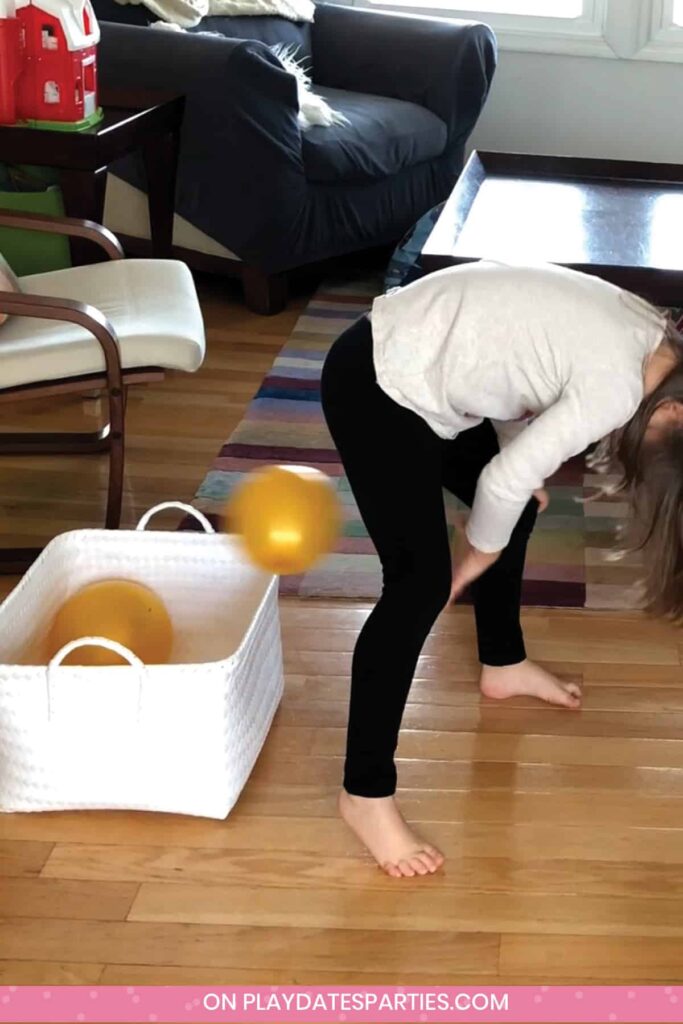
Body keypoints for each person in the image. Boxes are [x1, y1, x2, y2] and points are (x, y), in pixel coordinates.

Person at [320, 259, 683, 880]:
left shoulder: (656, 335)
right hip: (379, 382)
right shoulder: (617, 388)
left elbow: (527, 351)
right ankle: (365, 794)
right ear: (674, 416)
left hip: (426, 363)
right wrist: (480, 549)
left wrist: (512, 489)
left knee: (514, 504)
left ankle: (503, 662)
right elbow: (503, 477)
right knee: (419, 585)